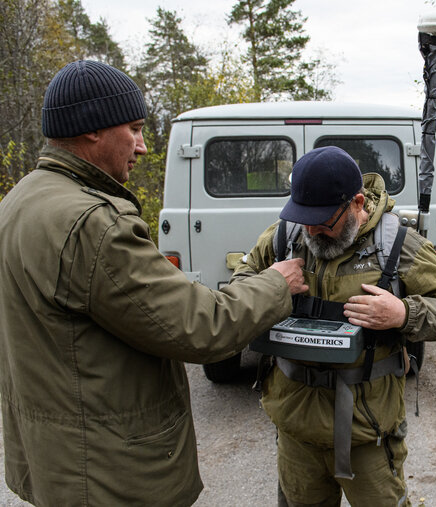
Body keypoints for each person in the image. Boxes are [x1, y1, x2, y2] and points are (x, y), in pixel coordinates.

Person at [0, 60, 308, 506]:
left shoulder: (21, 199)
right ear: (93, 129)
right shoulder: (93, 225)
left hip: (57, 457)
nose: (143, 147)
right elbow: (202, 327)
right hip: (109, 474)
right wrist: (276, 283)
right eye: (135, 128)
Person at [233, 146, 436, 506]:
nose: (311, 230)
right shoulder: (285, 237)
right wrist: (269, 283)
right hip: (297, 431)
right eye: (304, 217)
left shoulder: (398, 246)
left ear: (357, 204)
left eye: (324, 221)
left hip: (368, 436)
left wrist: (403, 314)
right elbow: (238, 290)